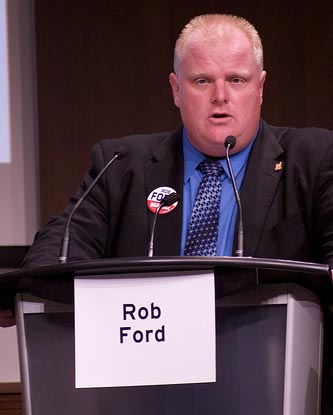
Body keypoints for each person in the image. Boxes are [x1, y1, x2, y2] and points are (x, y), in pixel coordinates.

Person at [1, 15, 333, 404]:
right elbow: (58, 247)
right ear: (177, 89)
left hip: (267, 383)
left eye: (237, 80)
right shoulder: (122, 164)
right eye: (202, 81)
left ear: (260, 88)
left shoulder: (311, 160)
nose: (220, 96)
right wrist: (23, 290)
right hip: (144, 394)